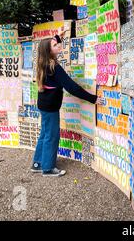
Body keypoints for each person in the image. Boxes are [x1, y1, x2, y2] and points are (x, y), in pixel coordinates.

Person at [30, 34, 104, 177]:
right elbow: (71, 87)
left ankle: (37, 163)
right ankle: (48, 168)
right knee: (52, 136)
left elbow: (58, 41)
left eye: (58, 44)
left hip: (44, 105)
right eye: (55, 45)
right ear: (48, 51)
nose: (59, 46)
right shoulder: (54, 67)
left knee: (45, 134)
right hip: (50, 107)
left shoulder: (43, 64)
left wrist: (58, 37)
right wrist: (92, 98)